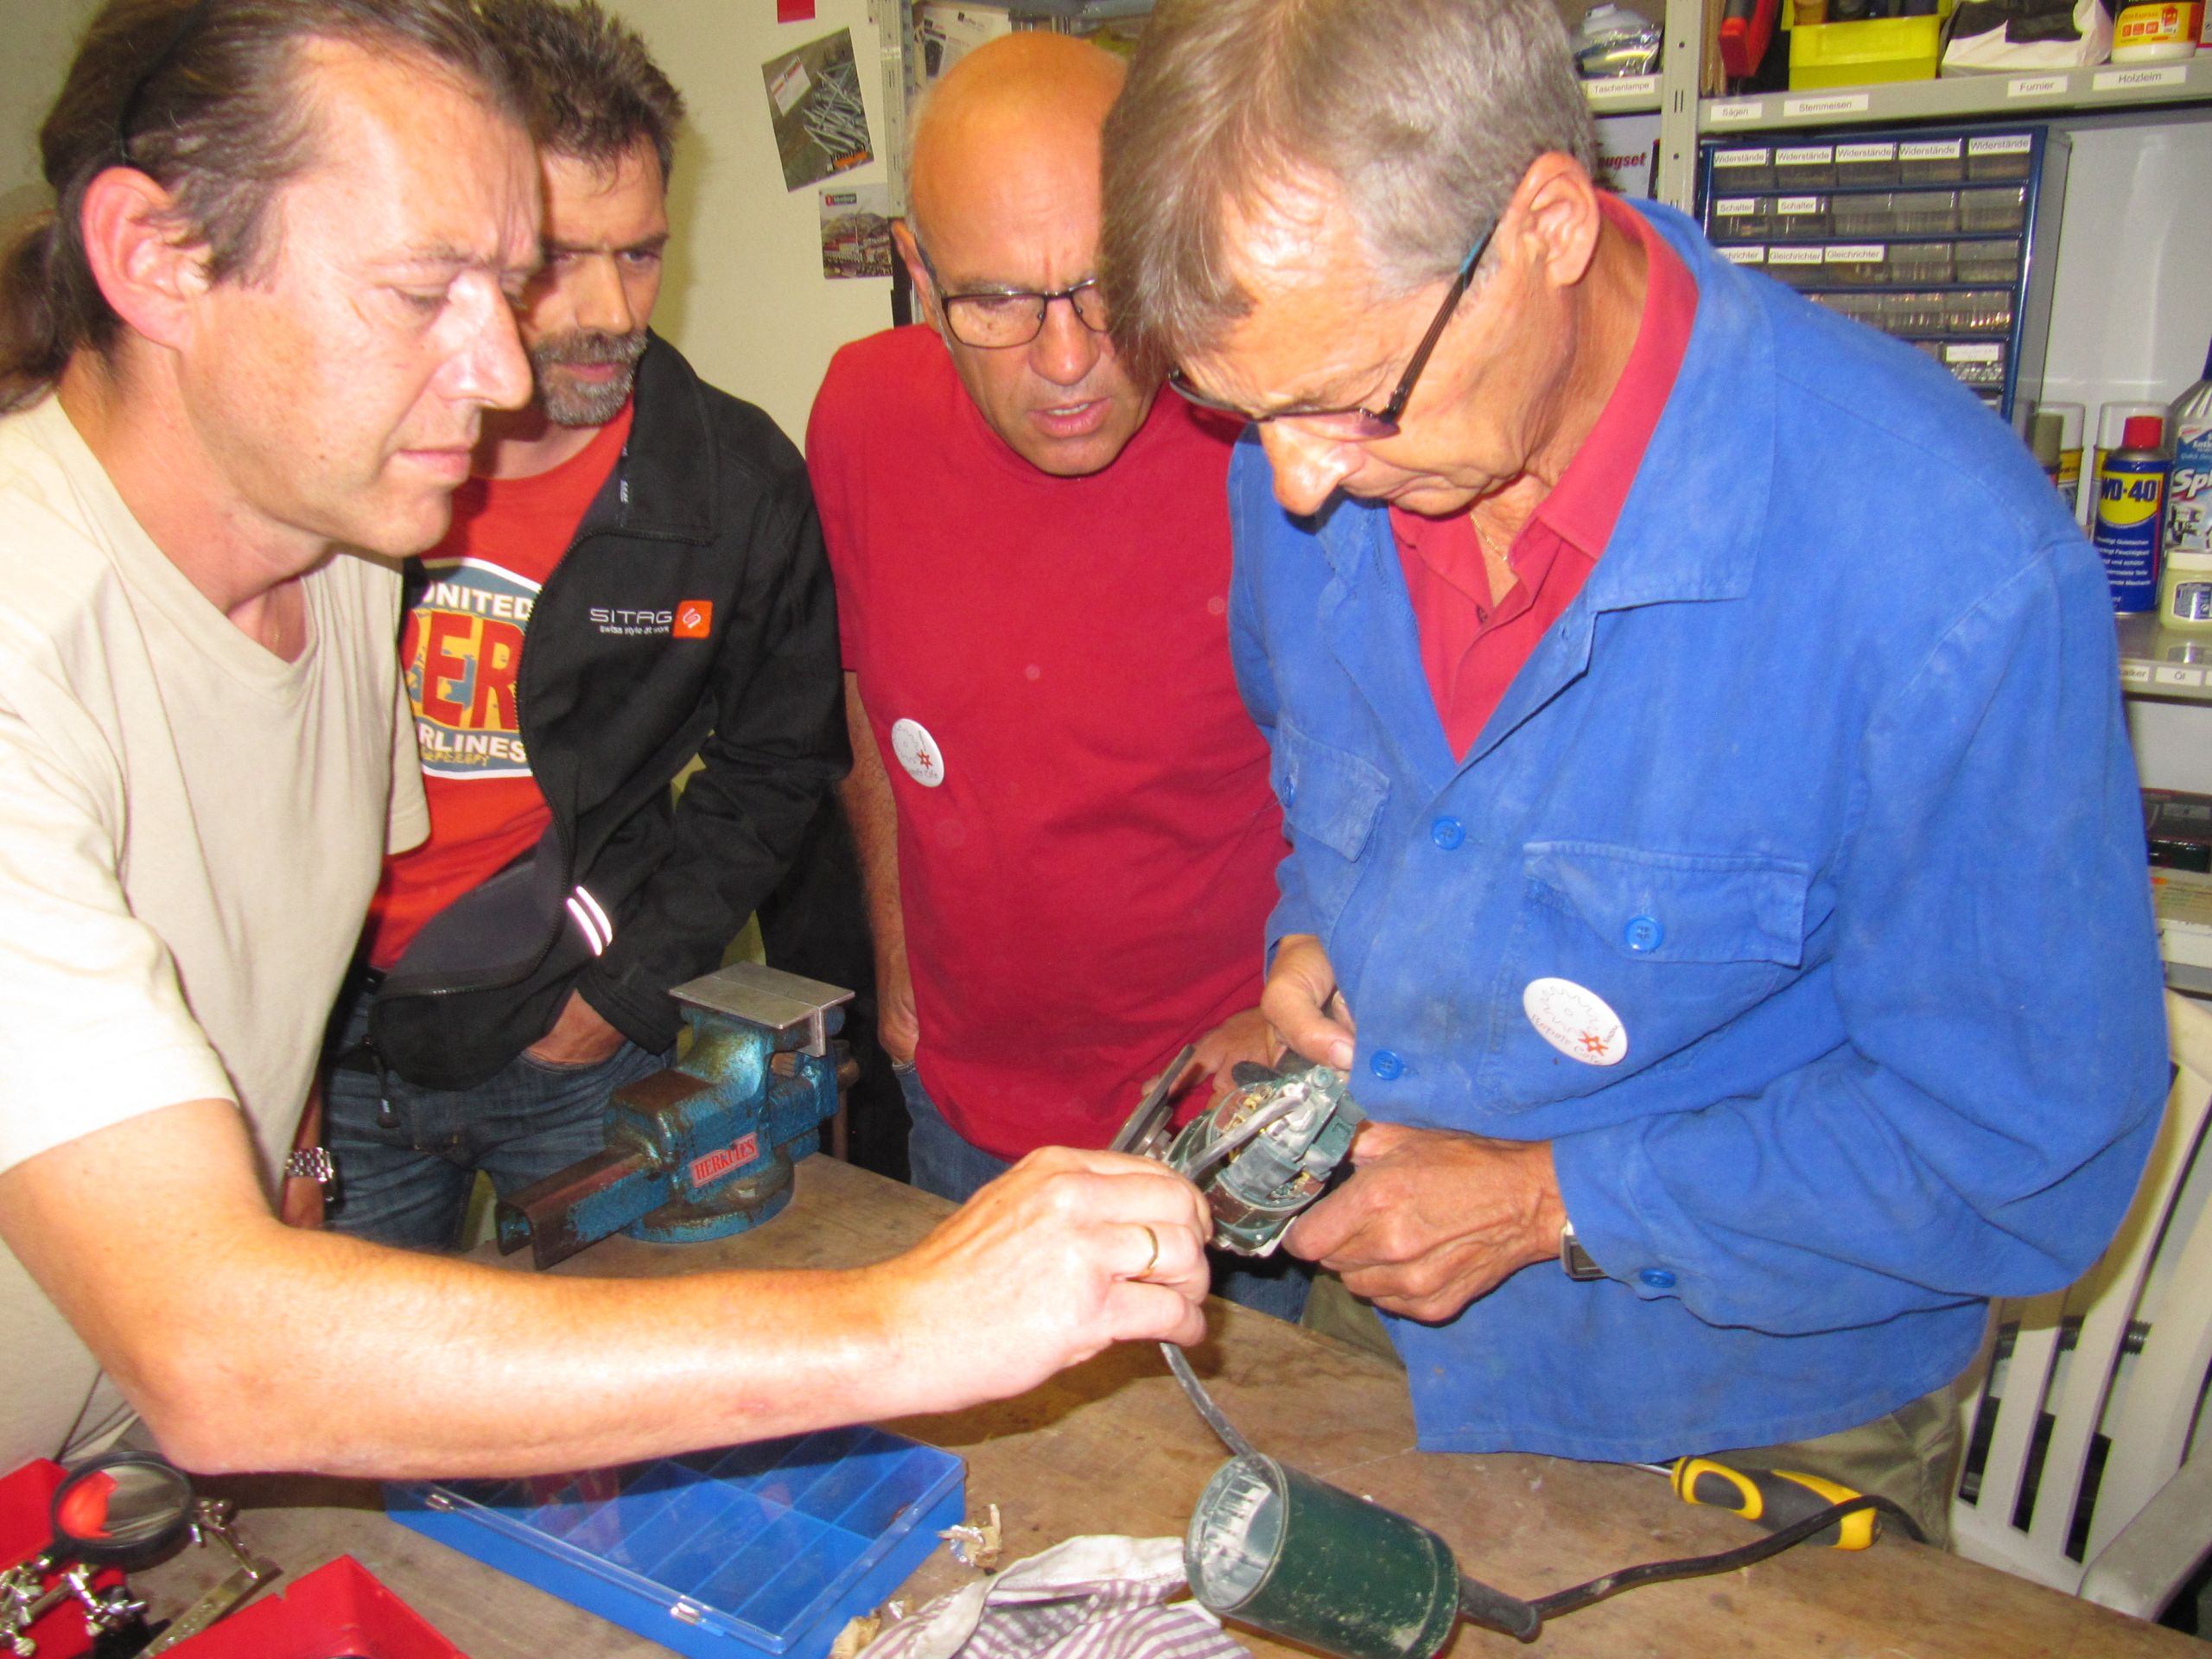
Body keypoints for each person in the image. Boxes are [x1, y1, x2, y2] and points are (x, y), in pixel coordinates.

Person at [0, 0, 1208, 1480]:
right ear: (155, 258)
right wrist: (913, 1320)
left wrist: (297, 1143)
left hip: (114, 1490)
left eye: (511, 282)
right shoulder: (33, 641)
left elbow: (282, 930)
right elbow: (218, 1351)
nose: (511, 370)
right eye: (424, 289)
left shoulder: (344, 562)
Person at [1099, 0, 2167, 1539]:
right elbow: (1320, 773)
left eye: (1348, 399)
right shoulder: (1310, 447)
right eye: (1236, 410)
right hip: (1385, 1327)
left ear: (1545, 224)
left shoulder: (1949, 571)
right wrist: (1322, 924)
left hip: (1758, 1395)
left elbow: (2029, 1154)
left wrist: (1553, 1200)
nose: (1295, 482)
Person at [315, 0, 846, 1250]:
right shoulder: (340, 449)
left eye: (642, 253)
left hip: (571, 1045)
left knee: (627, 1374)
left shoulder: (732, 483)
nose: (612, 309)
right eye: (558, 259)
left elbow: (776, 766)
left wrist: (621, 994)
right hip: (333, 1049)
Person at [807, 35, 1289, 1247]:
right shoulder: (862, 415)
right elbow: (866, 690)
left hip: (1215, 1112)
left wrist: (1297, 1018)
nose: (1067, 361)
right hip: (963, 1102)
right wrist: (898, 970)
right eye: (996, 302)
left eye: (1107, 286)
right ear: (919, 274)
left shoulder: (1279, 443)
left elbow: (1389, 779)